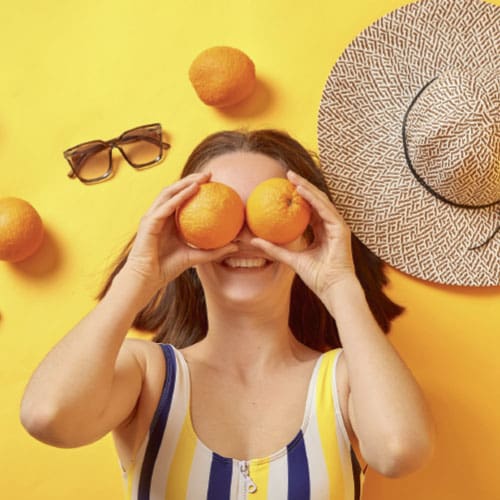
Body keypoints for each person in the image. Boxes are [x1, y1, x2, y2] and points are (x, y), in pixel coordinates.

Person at [20, 129, 434, 499]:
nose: (244, 237)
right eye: (224, 209)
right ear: (181, 227)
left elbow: (400, 451)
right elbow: (48, 417)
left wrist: (339, 284)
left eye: (262, 211)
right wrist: (140, 277)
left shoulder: (344, 380)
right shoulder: (149, 375)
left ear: (309, 231)